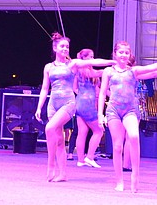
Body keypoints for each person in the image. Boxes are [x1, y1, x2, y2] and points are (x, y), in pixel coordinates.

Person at [98, 41, 157, 193]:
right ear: (115, 54)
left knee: (134, 136)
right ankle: (119, 181)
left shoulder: (134, 71)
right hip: (113, 110)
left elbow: (151, 69)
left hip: (130, 109)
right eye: (121, 52)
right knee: (117, 146)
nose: (124, 55)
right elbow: (102, 92)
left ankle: (135, 175)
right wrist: (100, 114)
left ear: (129, 55)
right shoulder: (108, 72)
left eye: (126, 52)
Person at [35, 32, 116, 182]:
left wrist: (112, 62)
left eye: (67, 46)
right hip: (53, 104)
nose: (65, 49)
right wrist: (39, 107)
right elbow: (45, 88)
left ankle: (50, 164)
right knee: (59, 140)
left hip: (68, 103)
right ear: (55, 48)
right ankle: (63, 174)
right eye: (62, 46)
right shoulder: (48, 67)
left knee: (49, 129)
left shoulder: (73, 64)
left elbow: (95, 61)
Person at [73, 49, 104, 168]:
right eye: (90, 57)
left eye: (93, 56)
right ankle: (90, 157)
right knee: (99, 131)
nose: (92, 59)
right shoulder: (84, 70)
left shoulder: (80, 71)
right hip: (87, 104)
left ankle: (80, 160)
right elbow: (96, 74)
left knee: (82, 132)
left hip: (80, 103)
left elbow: (75, 88)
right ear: (83, 58)